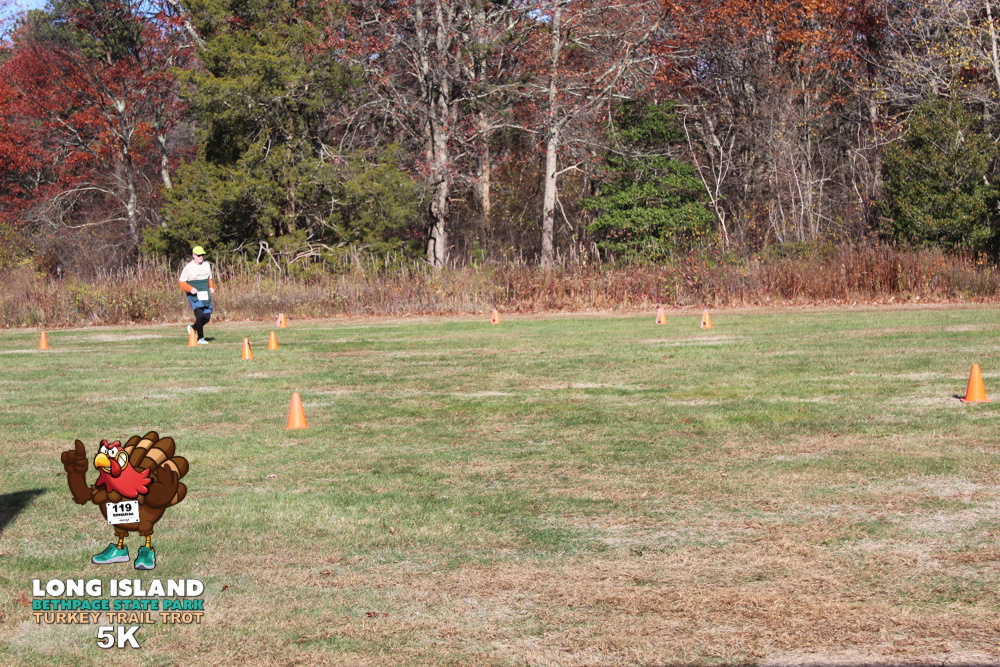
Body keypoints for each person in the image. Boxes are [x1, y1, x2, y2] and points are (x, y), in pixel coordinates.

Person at [178, 246, 216, 344]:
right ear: (194, 255)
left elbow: (210, 278)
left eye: (202, 255)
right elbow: (181, 282)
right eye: (198, 255)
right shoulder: (188, 267)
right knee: (200, 316)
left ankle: (192, 328)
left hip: (205, 294)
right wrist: (190, 289)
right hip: (194, 295)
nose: (201, 257)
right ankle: (200, 338)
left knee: (206, 317)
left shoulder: (206, 265)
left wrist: (211, 287)